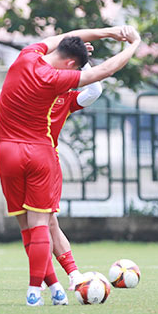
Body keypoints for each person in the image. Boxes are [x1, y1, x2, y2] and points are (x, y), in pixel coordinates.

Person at [0, 25, 141, 306]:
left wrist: (109, 32)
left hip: (6, 149)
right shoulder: (55, 81)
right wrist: (132, 45)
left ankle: (58, 287)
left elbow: (64, 40)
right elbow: (101, 74)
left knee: (28, 226)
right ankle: (36, 291)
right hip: (39, 152)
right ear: (71, 65)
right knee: (41, 225)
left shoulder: (26, 56)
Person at [45, 71, 103, 291]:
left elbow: (95, 90)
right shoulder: (33, 92)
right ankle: (45, 274)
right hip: (21, 158)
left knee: (47, 222)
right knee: (32, 224)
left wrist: (84, 60)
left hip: (46, 161)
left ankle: (72, 273)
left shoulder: (66, 98)